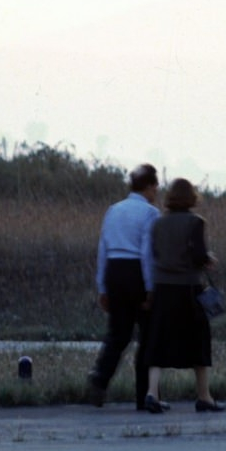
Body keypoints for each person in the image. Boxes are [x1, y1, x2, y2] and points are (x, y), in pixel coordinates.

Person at [87, 163, 169, 411]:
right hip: (136, 272)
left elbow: (103, 248)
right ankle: (144, 395)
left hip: (114, 270)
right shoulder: (150, 213)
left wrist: (102, 286)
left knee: (117, 334)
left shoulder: (113, 210)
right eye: (155, 186)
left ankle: (100, 378)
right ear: (149, 186)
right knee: (147, 336)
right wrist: (149, 287)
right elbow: (147, 252)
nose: (156, 191)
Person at [144, 177, 226, 413]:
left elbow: (156, 253)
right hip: (189, 287)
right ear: (192, 198)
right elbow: (199, 256)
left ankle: (152, 393)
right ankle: (204, 396)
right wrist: (208, 259)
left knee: (158, 340)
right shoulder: (196, 222)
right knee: (198, 341)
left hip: (163, 287)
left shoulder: (158, 223)